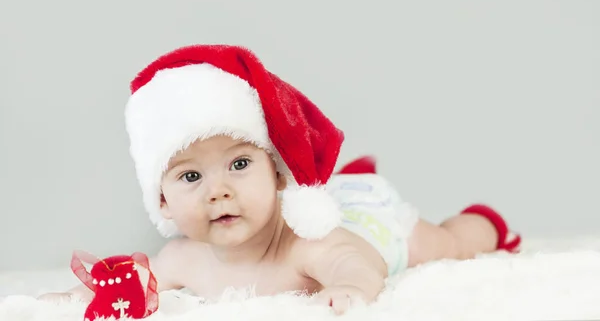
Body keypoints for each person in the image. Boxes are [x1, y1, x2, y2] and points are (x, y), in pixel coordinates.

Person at [38, 45, 521, 315]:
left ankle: (483, 223)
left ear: (278, 172)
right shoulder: (184, 257)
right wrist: (84, 296)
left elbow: (354, 265)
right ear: (162, 202)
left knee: (443, 245)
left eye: (240, 164)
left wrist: (350, 289)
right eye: (190, 176)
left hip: (371, 221)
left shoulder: (306, 245)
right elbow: (140, 282)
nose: (218, 190)